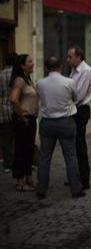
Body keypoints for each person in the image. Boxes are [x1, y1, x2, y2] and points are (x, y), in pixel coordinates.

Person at [35, 57, 86, 199]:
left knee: (44, 157)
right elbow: (75, 98)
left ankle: (41, 190)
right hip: (66, 122)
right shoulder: (69, 82)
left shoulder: (40, 83)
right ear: (61, 67)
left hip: (47, 122)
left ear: (47, 68)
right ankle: (76, 190)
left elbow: (39, 98)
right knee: (70, 156)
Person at [9, 54, 39, 192]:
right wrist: (23, 115)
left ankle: (28, 179)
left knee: (28, 149)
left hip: (30, 120)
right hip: (23, 121)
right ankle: (20, 182)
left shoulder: (27, 79)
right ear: (22, 65)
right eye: (30, 61)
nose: (32, 63)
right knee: (21, 150)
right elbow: (13, 99)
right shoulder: (20, 80)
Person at [67, 45, 91, 190]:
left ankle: (84, 180)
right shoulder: (73, 70)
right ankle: (74, 176)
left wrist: (66, 105)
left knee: (79, 145)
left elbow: (79, 95)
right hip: (73, 109)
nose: (68, 60)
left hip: (80, 110)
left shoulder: (86, 71)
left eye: (70, 57)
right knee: (72, 145)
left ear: (79, 57)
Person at [0, 53, 17, 174]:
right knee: (18, 137)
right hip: (16, 109)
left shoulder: (0, 74)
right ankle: (17, 161)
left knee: (6, 138)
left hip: (3, 110)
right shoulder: (17, 75)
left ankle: (7, 164)